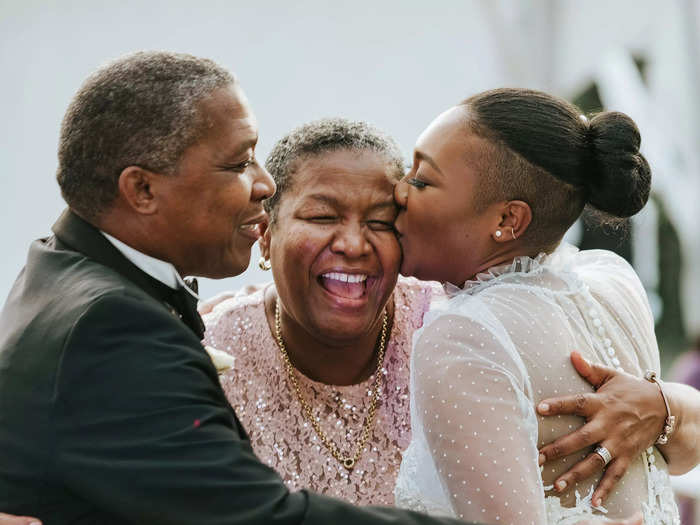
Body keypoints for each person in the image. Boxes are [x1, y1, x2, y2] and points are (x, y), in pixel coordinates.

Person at [0, 50, 471, 525]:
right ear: (142, 190)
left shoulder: (59, 268)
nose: (264, 185)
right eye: (238, 163)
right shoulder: (112, 327)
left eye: (380, 221)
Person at [391, 88, 687, 524]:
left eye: (421, 180)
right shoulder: (613, 282)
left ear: (507, 220)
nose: (398, 190)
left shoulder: (462, 338)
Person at [201, 117, 441, 505]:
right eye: (322, 217)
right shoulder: (206, 357)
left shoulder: (446, 330)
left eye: (380, 221)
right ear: (265, 236)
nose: (353, 244)